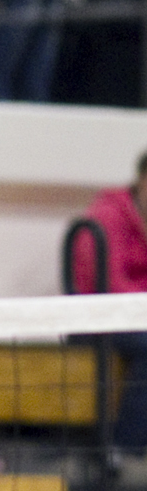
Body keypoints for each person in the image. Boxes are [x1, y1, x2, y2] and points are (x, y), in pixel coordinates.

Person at [71, 153, 147, 462]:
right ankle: (123, 450)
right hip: (97, 320)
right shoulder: (105, 217)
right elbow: (109, 285)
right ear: (142, 179)